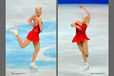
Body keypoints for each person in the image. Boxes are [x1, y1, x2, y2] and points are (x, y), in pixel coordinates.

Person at [71, 5, 91, 71]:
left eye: (86, 18)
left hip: (84, 38)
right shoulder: (77, 21)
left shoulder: (86, 23)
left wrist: (84, 8)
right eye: (84, 17)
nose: (85, 18)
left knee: (86, 52)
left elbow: (89, 14)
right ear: (82, 18)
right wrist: (76, 26)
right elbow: (71, 25)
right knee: (82, 51)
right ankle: (86, 63)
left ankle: (87, 54)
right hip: (77, 38)